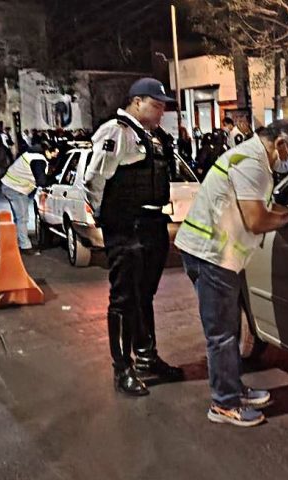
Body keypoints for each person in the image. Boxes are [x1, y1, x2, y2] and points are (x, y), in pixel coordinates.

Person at [174, 118, 288, 427]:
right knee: (222, 335)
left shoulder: (253, 158)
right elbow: (256, 220)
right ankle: (224, 404)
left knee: (229, 330)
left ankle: (232, 388)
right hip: (212, 255)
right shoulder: (252, 163)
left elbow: (262, 208)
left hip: (215, 253)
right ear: (280, 143)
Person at [84, 78, 185, 397]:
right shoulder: (116, 132)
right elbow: (94, 179)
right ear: (137, 101)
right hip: (127, 225)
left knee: (144, 295)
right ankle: (122, 369)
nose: (161, 111)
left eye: (163, 106)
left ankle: (146, 357)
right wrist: (104, 217)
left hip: (153, 222)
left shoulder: (154, 136)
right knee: (124, 298)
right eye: (156, 105)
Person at [0, 142, 59, 254]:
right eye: (54, 153)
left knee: (19, 217)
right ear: (47, 151)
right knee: (22, 218)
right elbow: (42, 182)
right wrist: (56, 178)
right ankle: (25, 246)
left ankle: (20, 242)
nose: (55, 156)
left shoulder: (32, 154)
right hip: (15, 188)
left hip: (12, 186)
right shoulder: (38, 160)